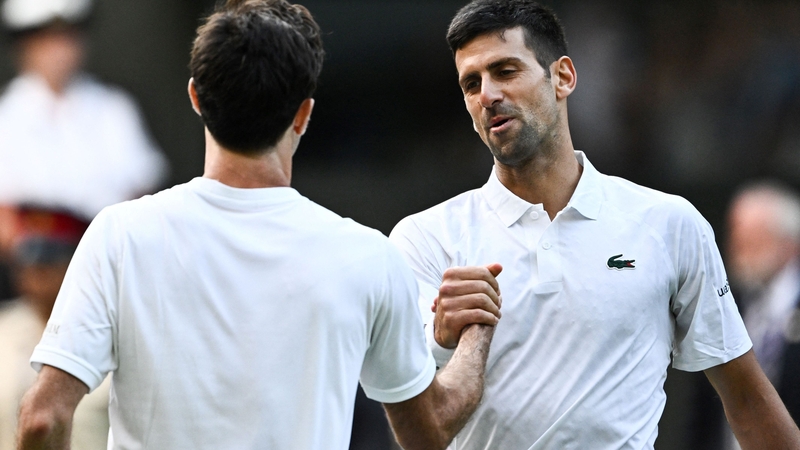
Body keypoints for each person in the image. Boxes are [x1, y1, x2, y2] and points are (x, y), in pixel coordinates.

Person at [15, 1, 502, 449]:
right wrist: (475, 329)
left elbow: (42, 418)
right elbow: (429, 431)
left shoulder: (119, 236)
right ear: (303, 115)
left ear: (196, 98)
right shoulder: (367, 255)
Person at [388, 1, 800, 448]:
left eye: (505, 71)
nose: (486, 95)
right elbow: (419, 435)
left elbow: (746, 398)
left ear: (563, 76)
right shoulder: (423, 238)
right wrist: (441, 337)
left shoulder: (670, 224)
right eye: (471, 83)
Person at [0, 0, 168, 300]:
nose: (59, 51)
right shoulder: (7, 118)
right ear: (23, 45)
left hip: (107, 278)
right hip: (28, 284)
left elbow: (145, 196)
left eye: (68, 36)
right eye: (46, 39)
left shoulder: (114, 110)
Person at [692, 181, 800, 449]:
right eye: (735, 234)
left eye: (752, 238)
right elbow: (702, 411)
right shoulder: (726, 303)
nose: (736, 247)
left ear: (787, 242)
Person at [0, 206, 110, 450]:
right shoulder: (3, 329)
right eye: (29, 259)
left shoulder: (109, 331)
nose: (38, 271)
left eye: (51, 260)